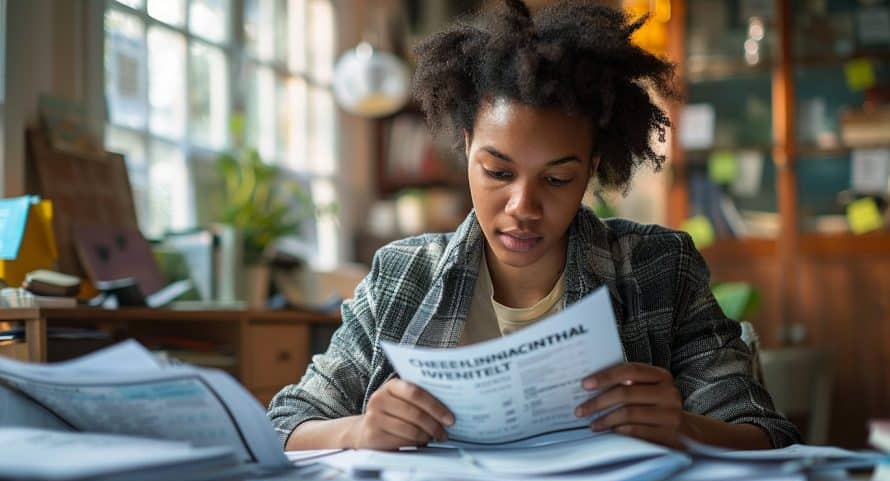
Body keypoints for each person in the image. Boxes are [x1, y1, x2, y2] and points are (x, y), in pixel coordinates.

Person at [268, 0, 799, 451]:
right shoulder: (401, 276)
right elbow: (288, 422)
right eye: (498, 172)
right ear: (466, 150)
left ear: (592, 170)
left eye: (557, 179)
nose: (523, 206)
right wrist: (357, 431)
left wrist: (682, 427)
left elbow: (764, 431)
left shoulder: (659, 269)